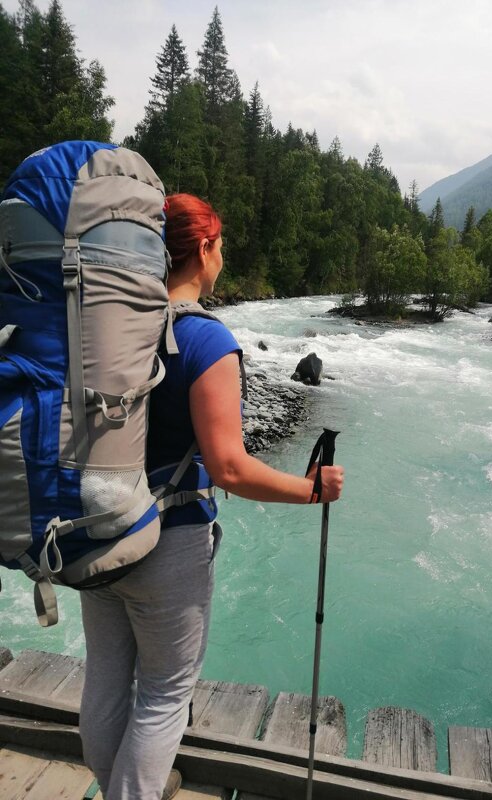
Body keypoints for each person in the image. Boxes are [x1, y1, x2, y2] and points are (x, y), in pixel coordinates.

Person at [78, 193, 344, 800]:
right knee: (166, 694)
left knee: (106, 684)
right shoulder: (206, 341)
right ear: (202, 249)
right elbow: (228, 467)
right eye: (220, 247)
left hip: (95, 526)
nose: (222, 258)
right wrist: (311, 490)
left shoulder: (105, 328)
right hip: (167, 544)